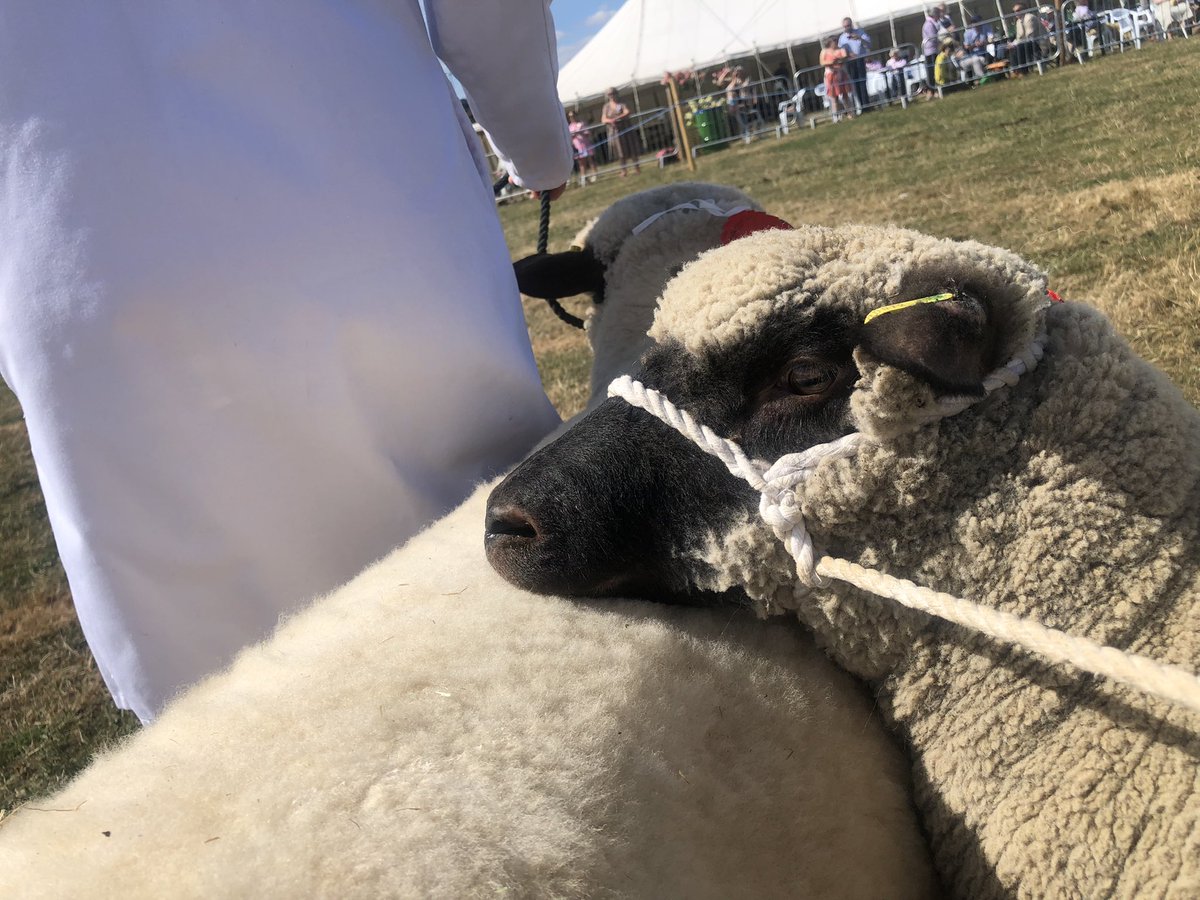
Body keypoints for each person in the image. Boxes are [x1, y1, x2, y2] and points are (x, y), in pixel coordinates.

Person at [0, 1, 573, 723]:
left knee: (222, 692)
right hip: (357, 184)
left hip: (73, 248)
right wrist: (537, 143)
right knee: (495, 605)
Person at [601, 87, 642, 176]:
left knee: (632, 149)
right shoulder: (606, 107)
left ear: (616, 93)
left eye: (613, 93)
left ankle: (637, 168)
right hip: (615, 132)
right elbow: (603, 119)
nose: (611, 96)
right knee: (620, 152)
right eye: (609, 94)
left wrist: (617, 118)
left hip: (626, 129)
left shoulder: (622, 103)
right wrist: (610, 121)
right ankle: (624, 170)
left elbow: (627, 112)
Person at [837, 18, 872, 112]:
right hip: (850, 63)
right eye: (845, 26)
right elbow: (840, 51)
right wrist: (848, 54)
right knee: (855, 84)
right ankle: (861, 106)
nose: (846, 28)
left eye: (848, 25)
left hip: (860, 60)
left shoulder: (860, 32)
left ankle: (867, 106)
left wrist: (859, 38)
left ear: (851, 24)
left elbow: (869, 44)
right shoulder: (842, 38)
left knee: (862, 82)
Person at [819, 36, 853, 121]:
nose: (835, 43)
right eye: (834, 41)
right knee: (834, 97)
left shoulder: (841, 50)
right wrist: (831, 62)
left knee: (845, 95)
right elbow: (822, 62)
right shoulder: (824, 51)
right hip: (830, 74)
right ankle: (836, 117)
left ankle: (850, 113)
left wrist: (840, 60)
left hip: (841, 73)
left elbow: (845, 58)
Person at [567, 110, 597, 185]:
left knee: (590, 160)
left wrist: (581, 132)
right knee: (581, 163)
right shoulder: (569, 127)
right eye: (570, 116)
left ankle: (594, 175)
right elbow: (569, 137)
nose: (572, 118)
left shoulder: (581, 124)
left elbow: (587, 133)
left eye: (573, 116)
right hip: (578, 147)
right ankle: (584, 178)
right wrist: (573, 135)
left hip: (586, 145)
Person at [922, 5, 947, 90]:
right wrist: (941, 42)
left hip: (933, 50)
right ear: (935, 14)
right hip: (931, 51)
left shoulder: (932, 23)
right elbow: (932, 38)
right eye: (938, 14)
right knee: (933, 71)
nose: (939, 16)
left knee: (935, 70)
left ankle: (935, 89)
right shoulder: (929, 24)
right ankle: (932, 89)